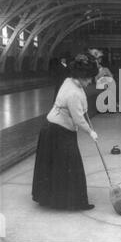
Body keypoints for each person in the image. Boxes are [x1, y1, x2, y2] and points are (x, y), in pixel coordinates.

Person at [32, 54, 99, 211]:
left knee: (60, 165)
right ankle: (75, 202)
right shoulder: (73, 93)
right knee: (71, 164)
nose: (90, 81)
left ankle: (50, 199)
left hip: (52, 128)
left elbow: (80, 105)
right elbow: (78, 119)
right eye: (89, 78)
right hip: (57, 130)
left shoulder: (70, 81)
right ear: (81, 76)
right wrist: (91, 132)